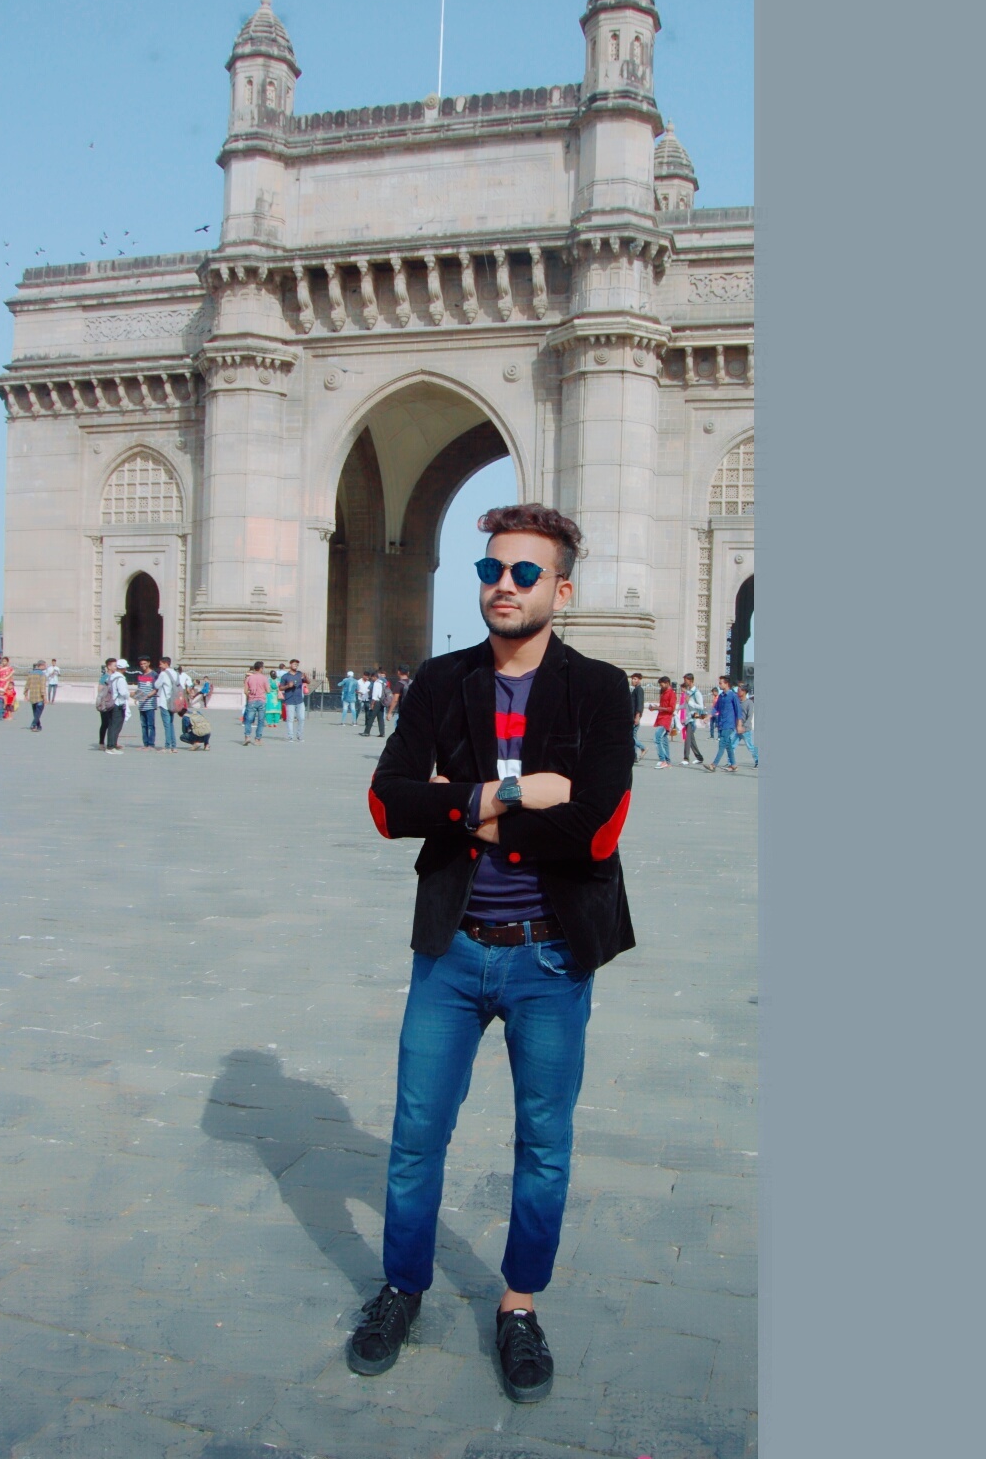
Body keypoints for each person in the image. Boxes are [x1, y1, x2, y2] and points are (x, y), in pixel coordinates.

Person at [351, 502, 634, 1405]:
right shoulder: (443, 680)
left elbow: (596, 831)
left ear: (562, 590)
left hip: (551, 958)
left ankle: (518, 1305)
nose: (502, 586)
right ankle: (402, 1287)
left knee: (544, 1145)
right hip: (451, 950)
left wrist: (457, 803)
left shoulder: (600, 688)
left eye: (523, 572)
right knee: (414, 1138)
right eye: (489, 569)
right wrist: (513, 791)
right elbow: (387, 804)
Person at [705, 675, 741, 772]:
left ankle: (714, 765)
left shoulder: (733, 696)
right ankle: (733, 764)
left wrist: (739, 724)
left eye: (721, 683)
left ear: (726, 684)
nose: (719, 685)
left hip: (729, 724)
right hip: (721, 723)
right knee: (728, 745)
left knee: (722, 744)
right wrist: (709, 716)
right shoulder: (721, 696)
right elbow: (716, 708)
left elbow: (738, 711)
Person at [155, 655, 183, 753]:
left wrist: (160, 674)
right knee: (171, 724)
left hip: (165, 702)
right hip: (173, 702)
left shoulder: (163, 674)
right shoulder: (176, 673)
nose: (160, 666)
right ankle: (174, 746)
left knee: (167, 725)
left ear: (166, 664)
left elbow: (156, 685)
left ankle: (167, 746)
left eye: (161, 664)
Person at [279, 658, 310, 741]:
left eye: (297, 664)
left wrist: (306, 677)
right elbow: (281, 688)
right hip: (290, 700)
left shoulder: (300, 674)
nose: (295, 665)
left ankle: (299, 735)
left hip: (299, 700)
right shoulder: (285, 676)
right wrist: (288, 686)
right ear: (290, 665)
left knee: (302, 718)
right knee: (290, 719)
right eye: (294, 664)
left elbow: (308, 682)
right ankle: (290, 736)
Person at [104, 659, 130, 754]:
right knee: (116, 726)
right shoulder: (120, 678)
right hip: (118, 704)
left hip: (111, 703)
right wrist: (129, 694)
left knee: (112, 725)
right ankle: (111, 747)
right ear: (124, 668)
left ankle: (112, 744)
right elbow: (123, 692)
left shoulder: (112, 677)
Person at [680, 673, 705, 765]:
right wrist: (677, 708)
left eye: (686, 680)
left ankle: (686, 758)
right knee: (691, 739)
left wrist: (690, 702)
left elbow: (701, 706)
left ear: (690, 680)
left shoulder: (697, 693)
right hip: (687, 717)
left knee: (687, 738)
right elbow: (685, 705)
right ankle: (699, 757)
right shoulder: (688, 692)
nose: (684, 682)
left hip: (693, 718)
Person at [243, 661, 269, 745]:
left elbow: (245, 691)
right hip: (261, 700)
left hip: (252, 700)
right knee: (261, 721)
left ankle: (247, 736)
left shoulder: (249, 678)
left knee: (248, 720)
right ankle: (258, 739)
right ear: (261, 668)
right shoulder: (264, 678)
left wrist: (250, 695)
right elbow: (268, 690)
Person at [652, 675, 676, 767]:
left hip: (665, 720)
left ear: (667, 683)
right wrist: (656, 708)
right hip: (661, 718)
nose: (661, 687)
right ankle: (667, 761)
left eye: (662, 685)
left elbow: (671, 708)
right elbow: (663, 706)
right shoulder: (663, 692)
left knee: (657, 738)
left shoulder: (671, 694)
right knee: (664, 740)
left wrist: (658, 708)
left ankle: (663, 760)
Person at [135, 657, 158, 749]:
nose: (143, 665)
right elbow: (139, 688)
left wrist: (147, 696)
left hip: (150, 704)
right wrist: (137, 697)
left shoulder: (154, 674)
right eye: (141, 664)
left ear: (149, 663)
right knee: (143, 725)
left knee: (150, 725)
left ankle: (151, 744)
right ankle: (145, 743)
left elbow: (156, 689)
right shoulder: (141, 675)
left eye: (144, 663)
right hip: (142, 704)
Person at [360, 669, 388, 738]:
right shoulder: (382, 682)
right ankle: (382, 733)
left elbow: (375, 695)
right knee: (380, 718)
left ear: (374, 677)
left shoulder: (376, 683)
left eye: (372, 678)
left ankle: (366, 732)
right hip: (382, 701)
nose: (371, 679)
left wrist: (372, 704)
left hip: (376, 702)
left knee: (371, 717)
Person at [736, 681, 758, 767]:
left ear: (744, 692)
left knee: (750, 746)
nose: (738, 692)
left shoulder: (749, 703)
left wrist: (744, 727)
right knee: (731, 745)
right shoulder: (737, 702)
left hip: (746, 729)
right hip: (737, 728)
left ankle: (758, 760)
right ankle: (731, 763)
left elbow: (750, 717)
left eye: (739, 690)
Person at [95, 658, 116, 746]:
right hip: (105, 704)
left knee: (113, 724)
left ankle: (112, 743)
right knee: (105, 723)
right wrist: (102, 702)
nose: (116, 667)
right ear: (109, 667)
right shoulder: (104, 677)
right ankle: (101, 742)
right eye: (115, 666)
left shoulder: (116, 676)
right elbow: (100, 690)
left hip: (114, 703)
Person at [387, 665, 412, 732]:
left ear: (398, 672)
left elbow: (395, 699)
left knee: (400, 730)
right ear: (408, 673)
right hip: (413, 711)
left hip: (402, 710)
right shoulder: (413, 683)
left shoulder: (399, 684)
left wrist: (390, 712)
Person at [25, 660, 47, 731]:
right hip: (39, 697)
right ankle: (33, 724)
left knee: (35, 713)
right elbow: (42, 687)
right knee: (38, 713)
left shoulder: (31, 673)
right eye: (45, 665)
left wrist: (26, 694)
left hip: (32, 696)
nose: (46, 667)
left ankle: (39, 726)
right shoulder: (42, 675)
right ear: (42, 665)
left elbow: (27, 685)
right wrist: (44, 697)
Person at [629, 672, 646, 762]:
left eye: (635, 679)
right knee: (633, 736)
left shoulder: (639, 690)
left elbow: (639, 703)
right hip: (633, 716)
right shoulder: (635, 689)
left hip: (635, 716)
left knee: (631, 736)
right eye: (632, 679)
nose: (633, 680)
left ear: (639, 680)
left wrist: (637, 716)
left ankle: (642, 748)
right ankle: (634, 756)